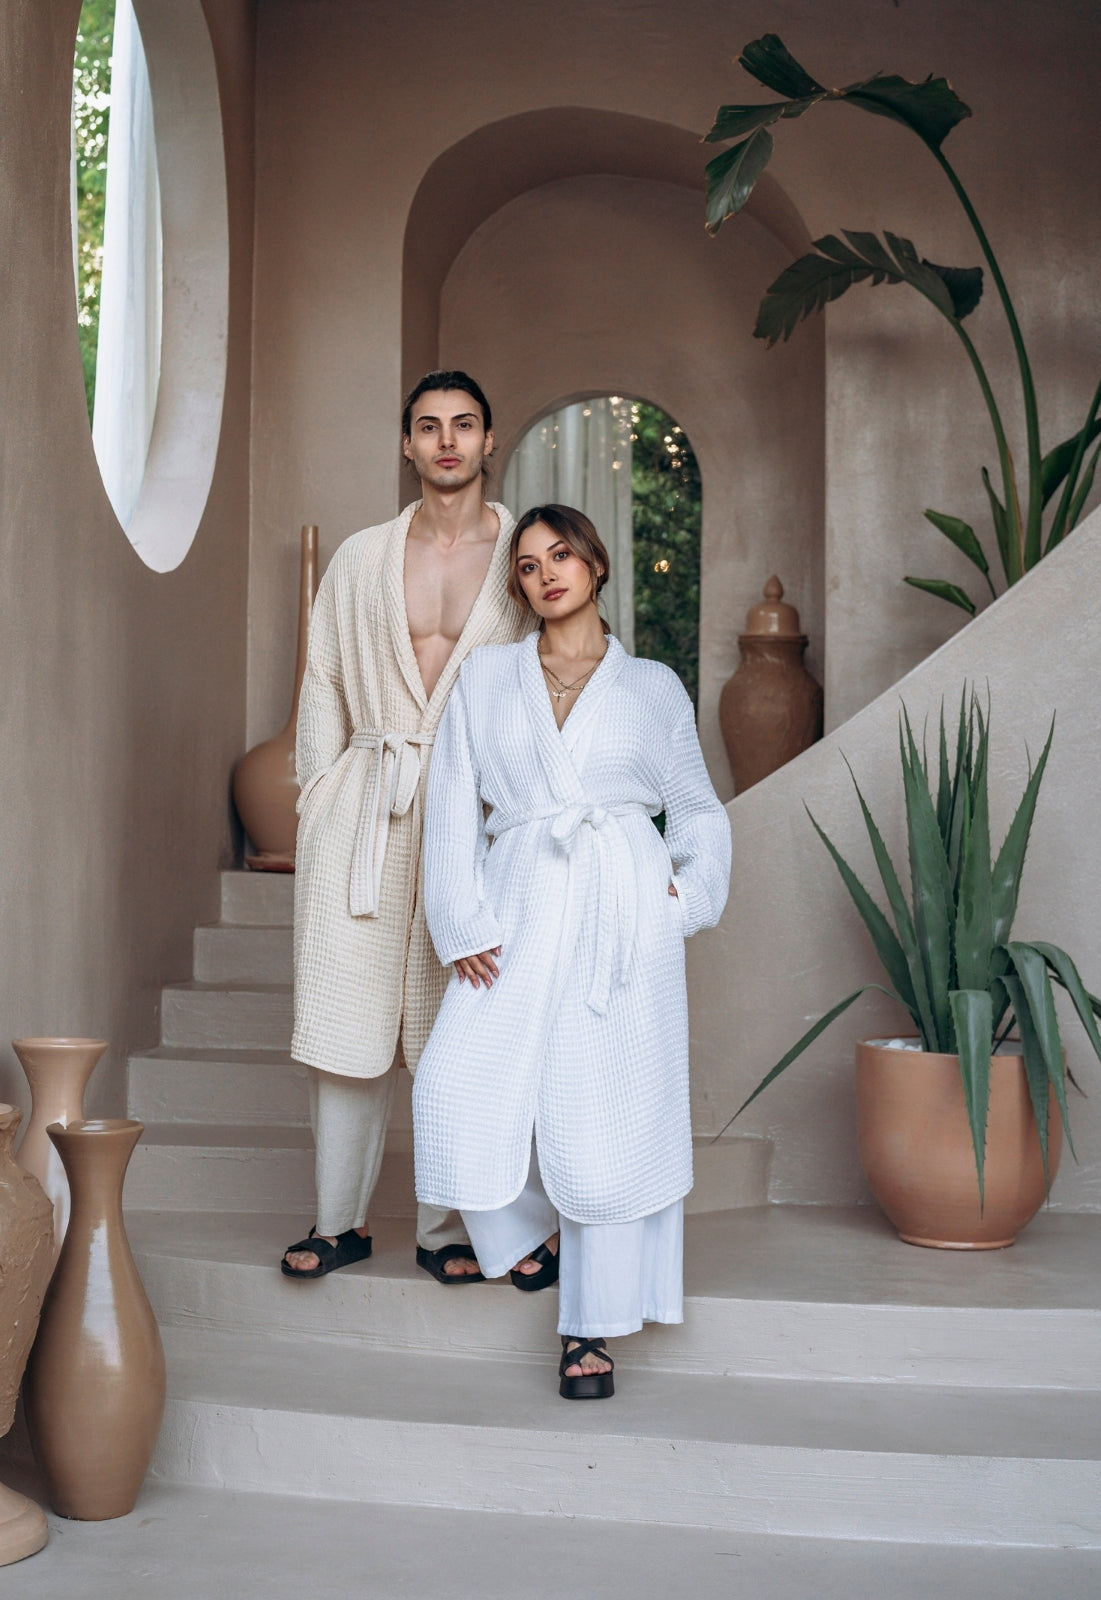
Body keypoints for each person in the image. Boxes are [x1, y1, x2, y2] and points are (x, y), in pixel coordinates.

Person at [413, 504, 731, 1396]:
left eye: (561, 555)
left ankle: (591, 1329)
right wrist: (461, 917)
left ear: (594, 563)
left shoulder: (653, 688)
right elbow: (452, 803)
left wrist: (684, 896)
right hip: (516, 898)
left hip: (621, 908)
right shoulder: (484, 679)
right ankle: (523, 1238)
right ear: (515, 587)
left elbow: (698, 810)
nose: (546, 573)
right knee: (452, 1081)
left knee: (609, 1107)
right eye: (526, 565)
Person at [282, 372, 530, 1285]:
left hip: (473, 812)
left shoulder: (519, 559)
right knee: (346, 1018)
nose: (447, 440)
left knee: (457, 1019)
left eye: (464, 424)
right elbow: (323, 690)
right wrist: (319, 801)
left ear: (489, 439)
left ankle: (446, 1229)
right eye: (429, 427)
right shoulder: (360, 558)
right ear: (407, 445)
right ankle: (338, 1222)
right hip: (366, 809)